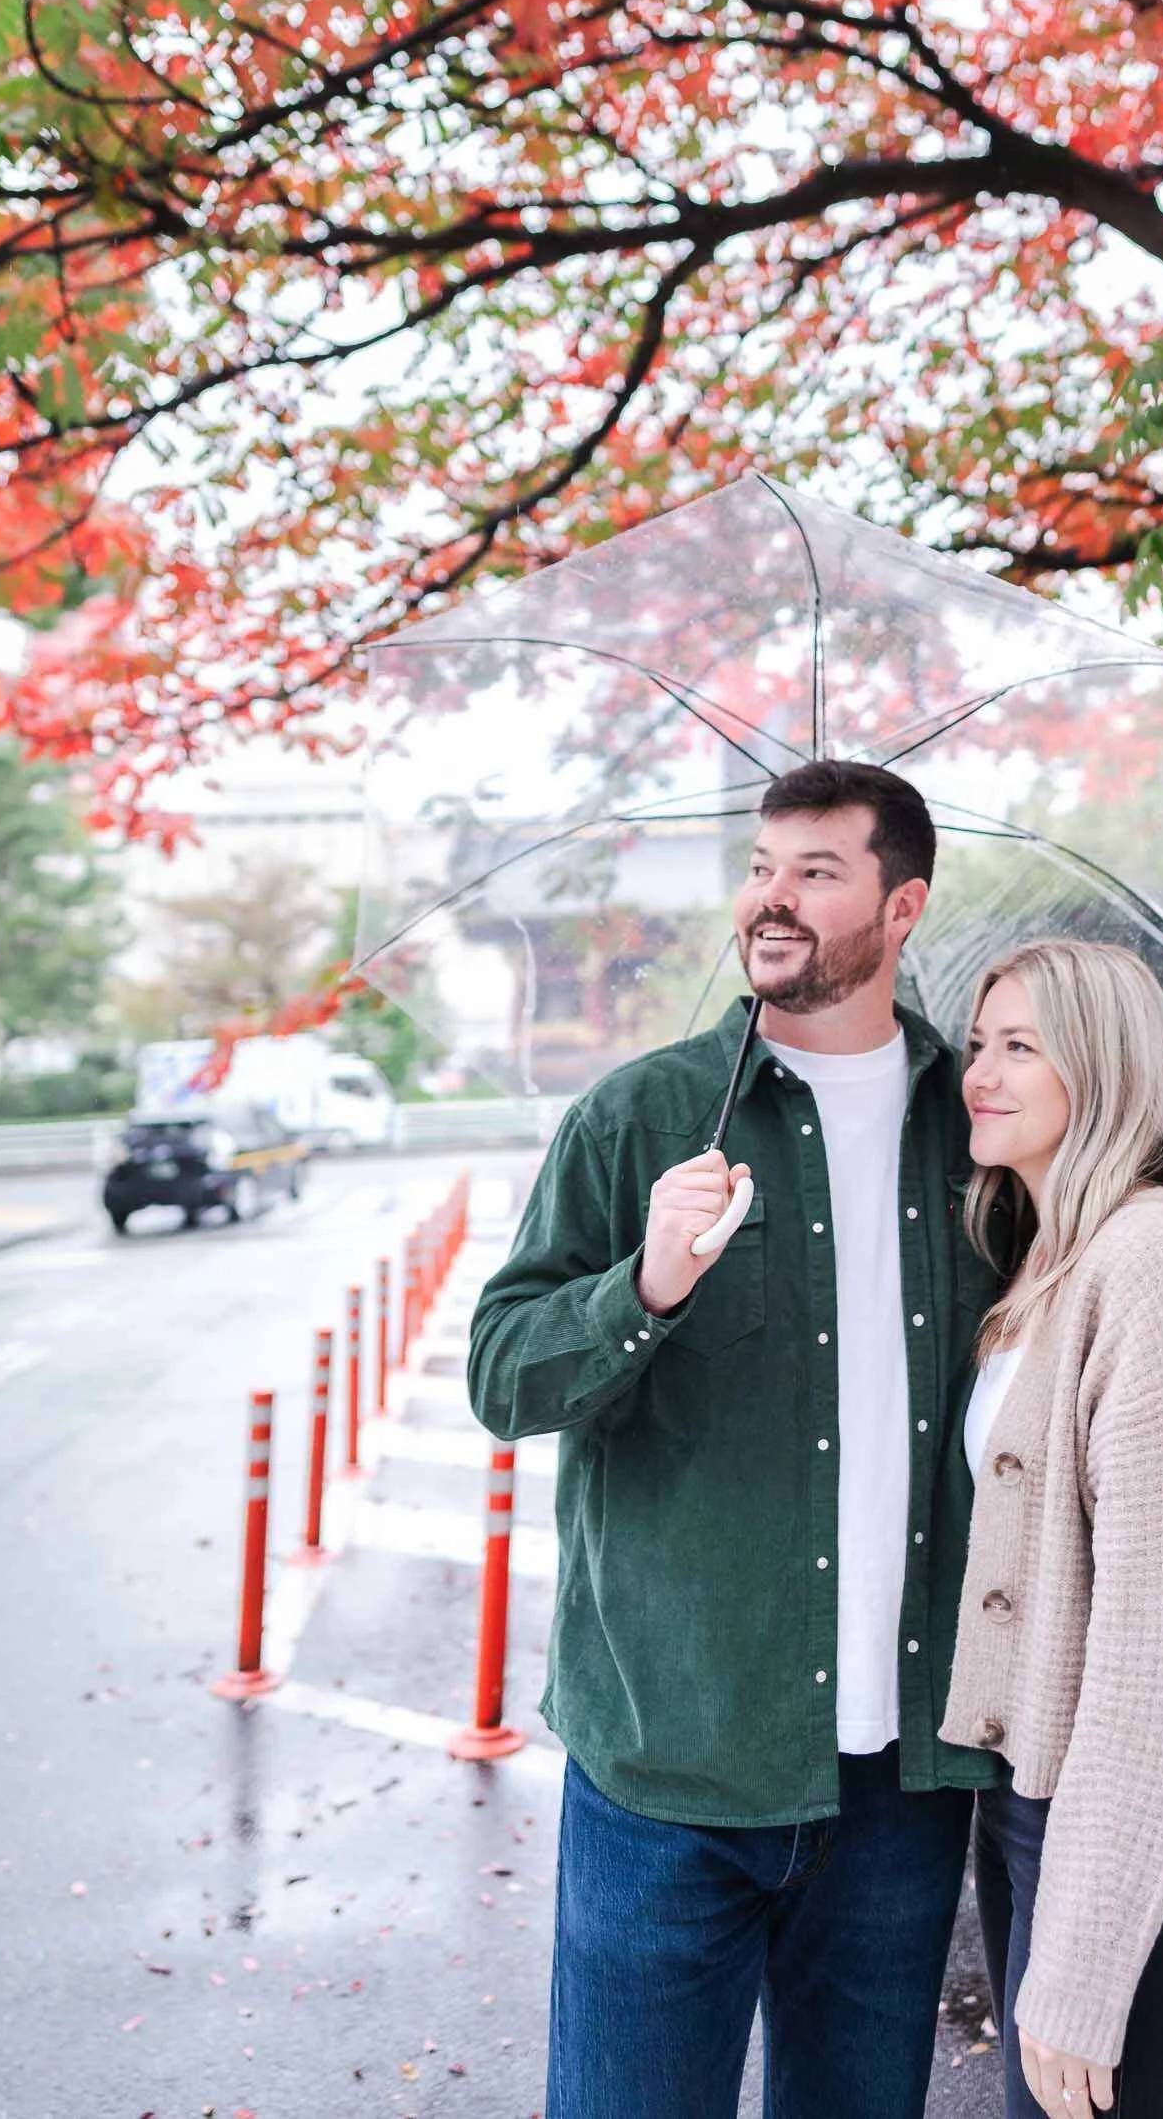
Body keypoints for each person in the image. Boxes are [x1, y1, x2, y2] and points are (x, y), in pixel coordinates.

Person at [468, 759, 1007, 2119]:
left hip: (903, 1782)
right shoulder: (641, 1118)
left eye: (818, 871)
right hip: (675, 1761)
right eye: (762, 867)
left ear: (903, 909)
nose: (772, 898)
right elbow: (503, 1376)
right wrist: (640, 1285)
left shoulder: (984, 1131)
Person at [940, 938, 1163, 2119]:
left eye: (1021, 1047)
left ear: (1106, 1071)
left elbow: (1161, 1650)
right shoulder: (1052, 1252)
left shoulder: (1149, 1266)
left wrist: (1080, 1975)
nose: (982, 1071)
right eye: (980, 1044)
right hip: (1048, 1807)